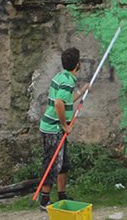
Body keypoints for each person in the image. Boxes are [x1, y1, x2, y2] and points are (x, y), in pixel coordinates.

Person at [38, 47, 89, 211]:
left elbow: (66, 100)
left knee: (63, 163)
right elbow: (59, 103)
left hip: (55, 128)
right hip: (53, 128)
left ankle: (62, 194)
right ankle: (44, 201)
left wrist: (82, 92)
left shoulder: (62, 77)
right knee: (52, 163)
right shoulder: (67, 81)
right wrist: (65, 125)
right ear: (78, 64)